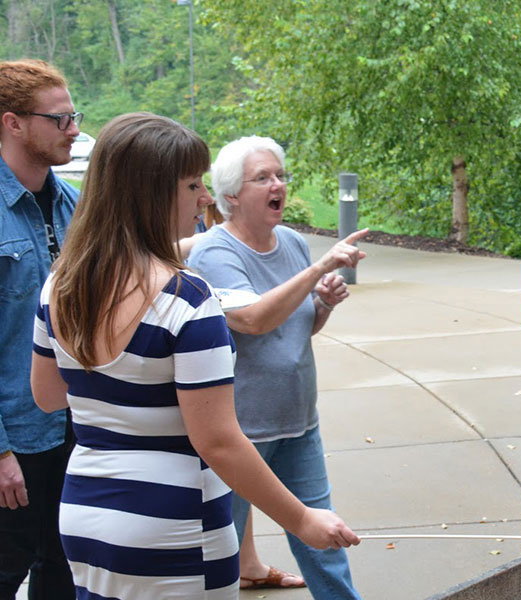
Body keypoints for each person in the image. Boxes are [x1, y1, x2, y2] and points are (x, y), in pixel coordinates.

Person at [27, 113, 359, 599]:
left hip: (86, 515)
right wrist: (303, 519)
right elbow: (219, 441)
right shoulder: (187, 299)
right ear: (150, 194)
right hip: (174, 525)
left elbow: (48, 395)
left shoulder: (60, 284)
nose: (205, 198)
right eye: (191, 185)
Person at [188, 135, 368, 598]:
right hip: (241, 433)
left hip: (298, 423)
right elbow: (251, 320)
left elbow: (294, 330)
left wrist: (323, 304)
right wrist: (317, 270)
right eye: (263, 177)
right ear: (231, 195)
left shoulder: (289, 242)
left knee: (325, 539)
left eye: (281, 176)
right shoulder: (215, 251)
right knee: (218, 555)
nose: (278, 185)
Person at [0, 58, 80, 600]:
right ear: (13, 123)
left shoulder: (76, 204)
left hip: (77, 426)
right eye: (60, 119)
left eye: (74, 116)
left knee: (66, 567)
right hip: (15, 438)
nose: (74, 129)